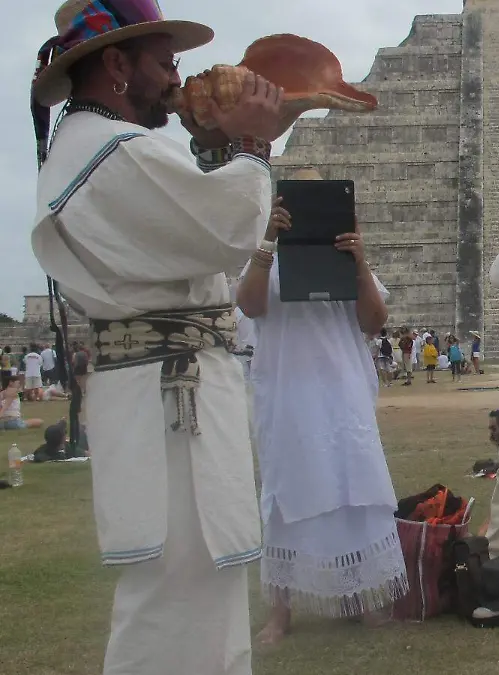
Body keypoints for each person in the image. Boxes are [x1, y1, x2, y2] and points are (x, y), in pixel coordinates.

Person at [29, 2, 295, 672]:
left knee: (199, 594)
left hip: (169, 393)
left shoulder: (99, 145)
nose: (178, 77)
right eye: (165, 62)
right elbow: (224, 226)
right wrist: (253, 143)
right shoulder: (112, 148)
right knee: (181, 592)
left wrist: (218, 144)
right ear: (117, 65)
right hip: (171, 400)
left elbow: (185, 238)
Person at [236, 168, 405, 645]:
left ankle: (364, 596)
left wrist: (359, 262)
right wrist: (268, 241)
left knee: (356, 488)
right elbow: (248, 305)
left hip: (343, 394)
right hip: (288, 396)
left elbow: (374, 320)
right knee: (288, 494)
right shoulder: (265, 260)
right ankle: (281, 612)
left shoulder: (346, 258)